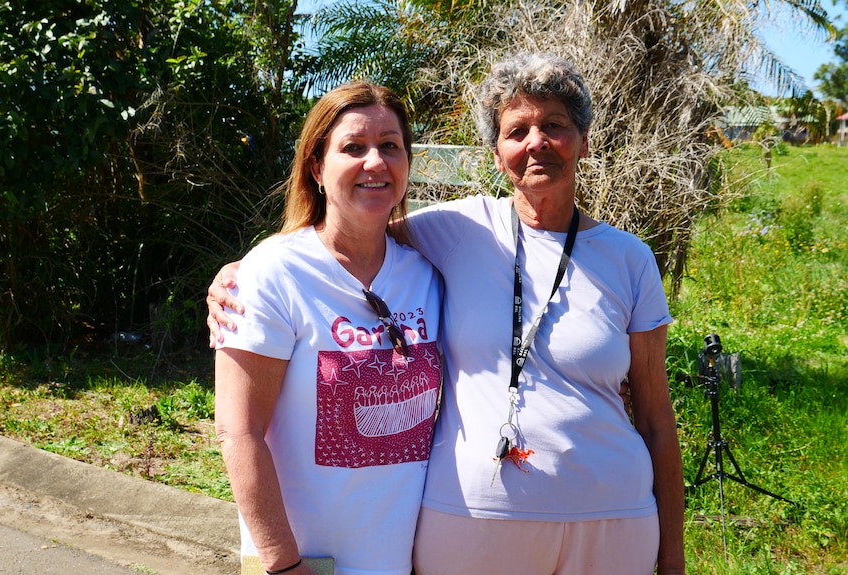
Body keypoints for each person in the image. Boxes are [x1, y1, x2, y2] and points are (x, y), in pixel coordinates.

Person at [209, 52, 685, 575]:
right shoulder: (456, 231)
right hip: (451, 528)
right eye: (517, 130)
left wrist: (675, 557)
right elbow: (342, 234)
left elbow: (657, 419)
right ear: (497, 153)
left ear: (584, 140)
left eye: (554, 125)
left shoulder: (627, 258)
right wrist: (244, 272)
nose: (536, 143)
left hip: (602, 522)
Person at [213, 81, 443, 575]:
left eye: (390, 146)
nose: (375, 162)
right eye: (353, 148)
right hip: (307, 563)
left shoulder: (427, 274)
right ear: (317, 167)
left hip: (401, 559)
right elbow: (238, 430)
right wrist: (282, 563)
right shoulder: (275, 272)